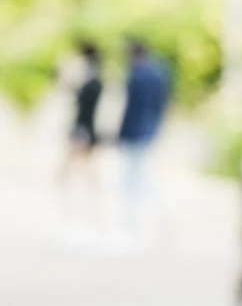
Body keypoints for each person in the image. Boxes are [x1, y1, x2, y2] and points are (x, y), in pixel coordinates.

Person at [115, 36, 173, 246]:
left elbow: (131, 108)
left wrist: (120, 134)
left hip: (135, 132)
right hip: (150, 130)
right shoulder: (159, 72)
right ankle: (158, 219)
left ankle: (134, 228)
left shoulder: (137, 75)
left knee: (131, 181)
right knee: (143, 177)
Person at [56, 40, 104, 220]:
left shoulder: (93, 83)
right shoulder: (94, 81)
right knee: (86, 169)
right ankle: (88, 203)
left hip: (82, 129)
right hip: (86, 128)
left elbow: (80, 103)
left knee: (68, 170)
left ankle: (70, 203)